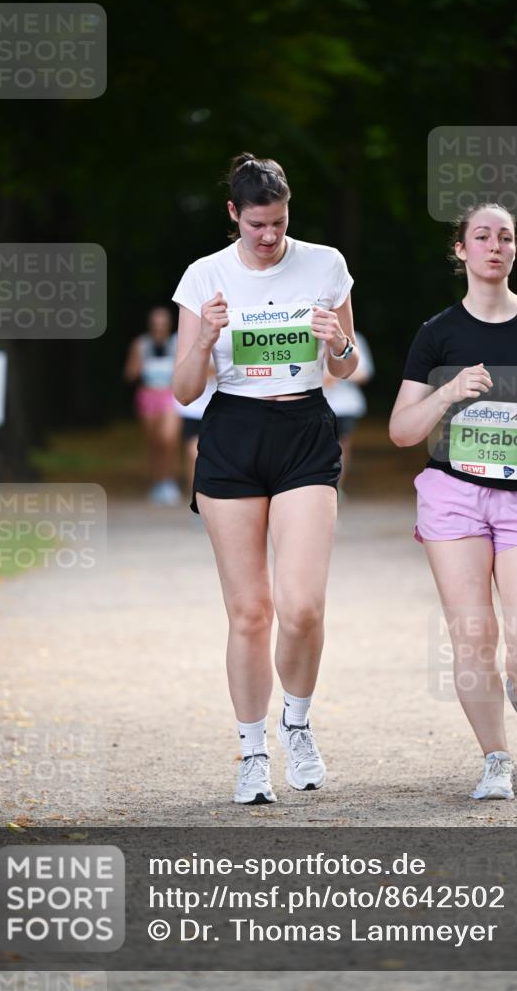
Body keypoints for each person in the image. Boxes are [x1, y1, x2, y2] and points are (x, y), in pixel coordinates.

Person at [172, 153, 358, 804]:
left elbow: (345, 365)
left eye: (277, 223)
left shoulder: (325, 264)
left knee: (301, 606)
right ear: (233, 215)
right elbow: (182, 389)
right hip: (231, 435)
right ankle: (251, 751)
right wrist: (203, 340)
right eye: (256, 225)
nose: (268, 237)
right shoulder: (204, 276)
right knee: (250, 611)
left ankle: (297, 725)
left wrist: (336, 342)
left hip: (304, 429)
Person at [389, 203, 517, 801]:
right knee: (473, 634)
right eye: (482, 236)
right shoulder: (437, 333)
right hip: (455, 495)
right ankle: (495, 759)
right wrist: (447, 390)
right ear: (462, 251)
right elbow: (401, 430)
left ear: (515, 250)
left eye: (506, 237)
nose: (495, 246)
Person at [124, 306, 181, 505]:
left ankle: (169, 481)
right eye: (156, 324)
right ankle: (157, 482)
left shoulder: (177, 343)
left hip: (170, 395)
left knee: (169, 439)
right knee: (154, 442)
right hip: (148, 396)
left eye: (163, 324)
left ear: (169, 325)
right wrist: (138, 366)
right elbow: (129, 374)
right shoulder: (141, 344)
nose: (159, 328)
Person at [323, 332, 375, 493]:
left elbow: (364, 373)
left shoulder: (355, 338)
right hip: (316, 404)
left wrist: (337, 374)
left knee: (341, 447)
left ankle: (336, 486)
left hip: (345, 406)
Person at [174, 365, 217, 497]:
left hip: (221, 408)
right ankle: (196, 498)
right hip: (193, 409)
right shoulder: (188, 343)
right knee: (195, 455)